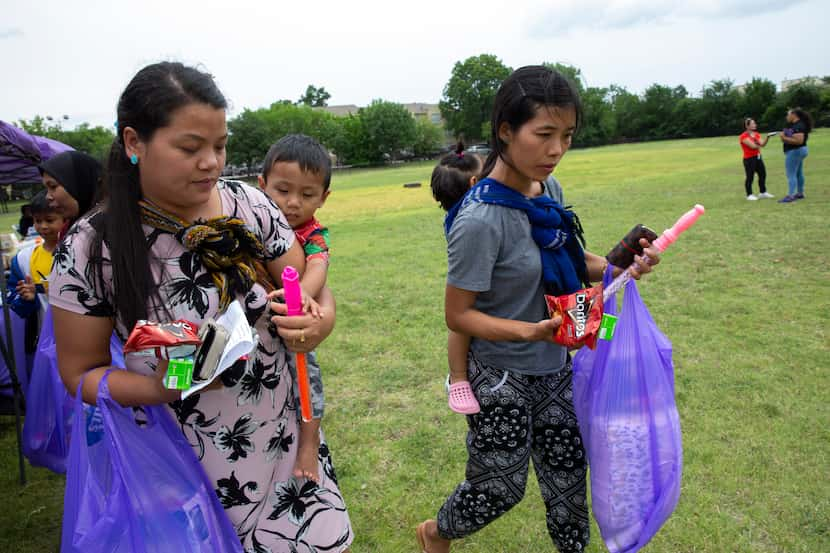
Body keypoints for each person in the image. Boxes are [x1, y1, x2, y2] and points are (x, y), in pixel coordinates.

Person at [49, 62, 353, 551]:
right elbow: (80, 373)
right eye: (191, 148)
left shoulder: (249, 206)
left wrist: (320, 322)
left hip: (283, 444)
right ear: (134, 142)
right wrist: (156, 387)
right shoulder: (90, 248)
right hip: (181, 463)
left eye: (220, 145)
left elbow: (307, 287)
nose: (211, 162)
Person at [416, 65, 660, 553]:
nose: (556, 150)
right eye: (544, 134)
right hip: (501, 372)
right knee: (499, 489)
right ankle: (434, 533)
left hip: (557, 366)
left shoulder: (549, 193)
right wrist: (529, 332)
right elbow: (458, 315)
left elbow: (574, 262)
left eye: (566, 136)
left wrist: (622, 265)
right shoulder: (479, 218)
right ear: (506, 130)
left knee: (568, 485)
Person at [257, 133, 333, 483]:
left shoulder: (313, 234)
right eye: (282, 190)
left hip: (294, 324)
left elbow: (319, 265)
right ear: (262, 185)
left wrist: (302, 294)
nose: (292, 204)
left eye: (307, 195)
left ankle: (308, 444)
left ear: (323, 198)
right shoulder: (250, 223)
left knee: (308, 382)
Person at [430, 142, 483, 414]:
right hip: (466, 282)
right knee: (460, 324)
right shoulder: (470, 215)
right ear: (475, 183)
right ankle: (458, 377)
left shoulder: (458, 212)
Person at [6, 191, 66, 352]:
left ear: (66, 220)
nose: (43, 226)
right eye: (38, 221)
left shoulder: (80, 252)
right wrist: (27, 298)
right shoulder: (23, 259)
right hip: (43, 340)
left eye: (50, 220)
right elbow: (15, 302)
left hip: (79, 334)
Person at [39, 150, 103, 235]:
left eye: (53, 186)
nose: (47, 197)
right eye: (46, 189)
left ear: (81, 184)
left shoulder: (112, 229)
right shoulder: (67, 229)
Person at [778, 108, 812, 203]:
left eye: (788, 115)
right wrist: (786, 132)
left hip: (795, 151)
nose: (787, 117)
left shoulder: (799, 125)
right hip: (799, 151)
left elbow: (799, 141)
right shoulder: (796, 125)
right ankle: (800, 193)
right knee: (798, 173)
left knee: (791, 174)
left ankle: (790, 196)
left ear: (794, 115)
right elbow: (793, 134)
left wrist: (783, 138)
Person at [739, 118, 774, 200]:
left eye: (754, 123)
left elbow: (762, 144)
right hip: (749, 159)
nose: (755, 125)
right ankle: (749, 194)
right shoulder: (743, 136)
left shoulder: (756, 134)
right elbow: (753, 146)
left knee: (762, 174)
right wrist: (759, 144)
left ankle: (763, 192)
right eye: (752, 123)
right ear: (747, 126)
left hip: (758, 157)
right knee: (750, 177)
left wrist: (767, 137)